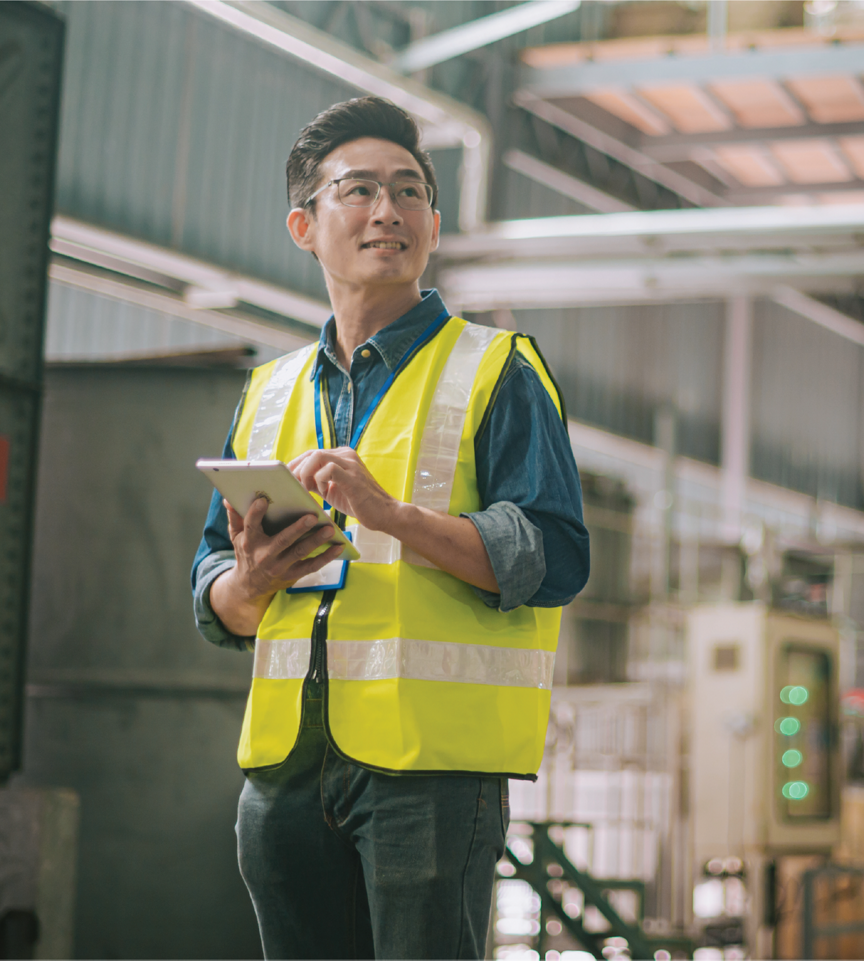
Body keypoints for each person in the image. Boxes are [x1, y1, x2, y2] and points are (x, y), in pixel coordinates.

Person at [190, 95, 589, 960]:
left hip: (431, 777)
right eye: (360, 190)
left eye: (409, 192)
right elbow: (214, 593)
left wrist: (392, 518)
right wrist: (250, 581)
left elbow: (556, 556)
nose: (388, 211)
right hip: (284, 773)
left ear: (434, 225)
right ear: (304, 224)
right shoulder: (269, 391)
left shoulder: (498, 370)